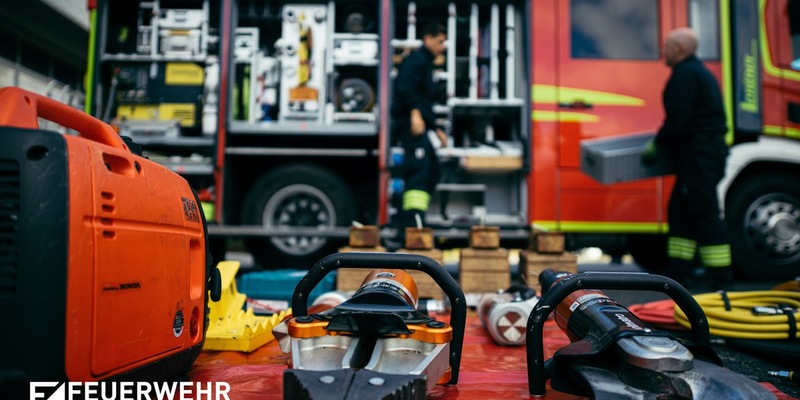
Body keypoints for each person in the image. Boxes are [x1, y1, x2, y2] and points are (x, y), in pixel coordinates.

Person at [643, 27, 734, 290]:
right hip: (700, 154)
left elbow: (678, 121)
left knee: (703, 211)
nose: (664, 52)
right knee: (681, 211)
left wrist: (658, 143)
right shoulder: (695, 72)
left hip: (700, 155)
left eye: (668, 47)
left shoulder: (685, 75)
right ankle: (679, 271)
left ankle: (720, 275)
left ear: (680, 49)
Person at [391, 22, 448, 239]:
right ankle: (411, 224)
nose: (442, 47)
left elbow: (423, 101)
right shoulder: (415, 61)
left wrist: (436, 128)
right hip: (410, 125)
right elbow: (405, 88)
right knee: (418, 172)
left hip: (420, 124)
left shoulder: (425, 63)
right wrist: (415, 114)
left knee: (432, 170)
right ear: (427, 38)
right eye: (440, 42)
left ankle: (413, 218)